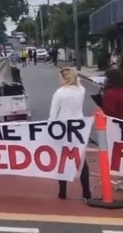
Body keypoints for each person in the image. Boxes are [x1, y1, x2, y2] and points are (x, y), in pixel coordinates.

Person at [49, 67, 91, 201]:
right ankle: (86, 191)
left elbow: (53, 115)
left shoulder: (59, 93)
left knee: (63, 159)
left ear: (64, 78)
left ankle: (62, 190)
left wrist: (50, 127)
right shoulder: (81, 90)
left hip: (63, 128)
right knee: (81, 159)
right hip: (78, 127)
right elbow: (78, 83)